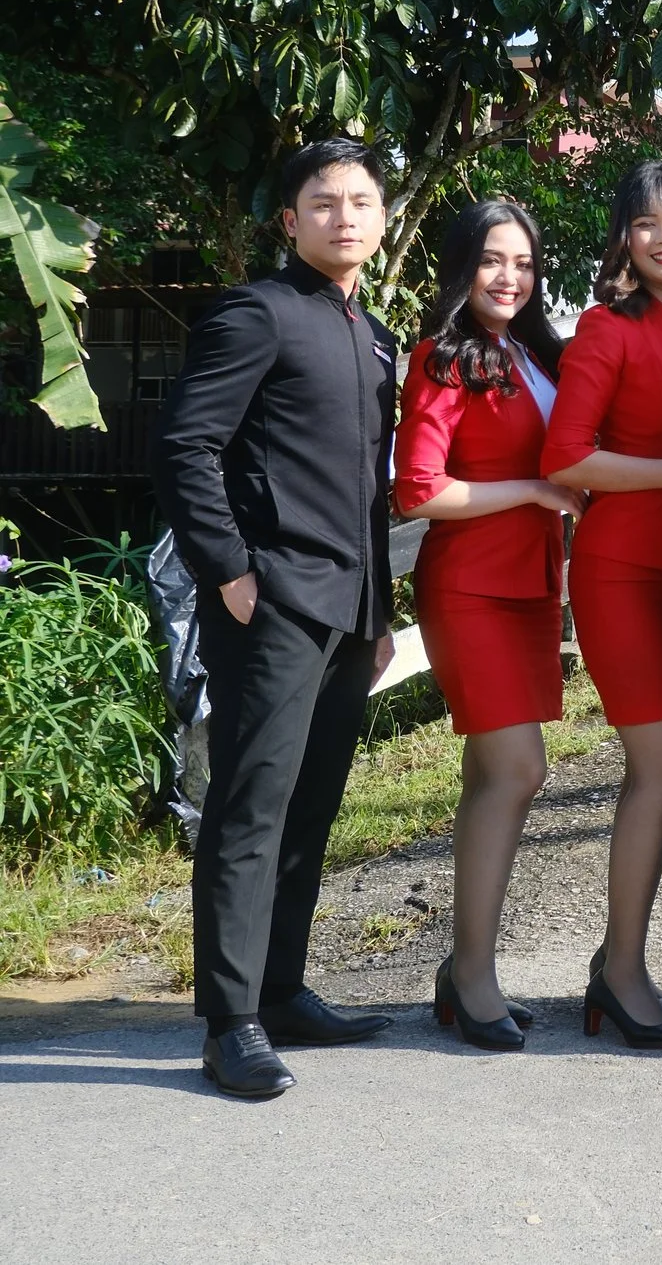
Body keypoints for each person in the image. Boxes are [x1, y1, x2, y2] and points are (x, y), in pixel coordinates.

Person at [155, 138, 400, 1099]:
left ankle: (284, 989)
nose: (345, 216)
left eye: (361, 202)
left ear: (379, 221)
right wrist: (230, 573)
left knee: (311, 807)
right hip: (274, 603)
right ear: (291, 220)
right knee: (250, 806)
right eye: (324, 201)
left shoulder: (369, 331)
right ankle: (231, 1020)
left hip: (349, 611)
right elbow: (187, 445)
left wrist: (380, 610)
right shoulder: (257, 313)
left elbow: (366, 490)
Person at [543, 162, 662, 1050]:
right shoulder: (604, 329)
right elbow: (565, 457)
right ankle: (620, 971)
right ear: (624, 236)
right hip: (622, 573)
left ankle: (625, 965)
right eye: (646, 224)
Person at [393, 200, 579, 1051]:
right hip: (471, 584)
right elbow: (420, 489)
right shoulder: (441, 356)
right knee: (519, 767)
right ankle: (472, 973)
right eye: (493, 260)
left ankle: (464, 965)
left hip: (532, 584)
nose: (510, 277)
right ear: (463, 264)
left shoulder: (534, 353)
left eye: (525, 263)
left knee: (488, 776)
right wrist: (534, 491)